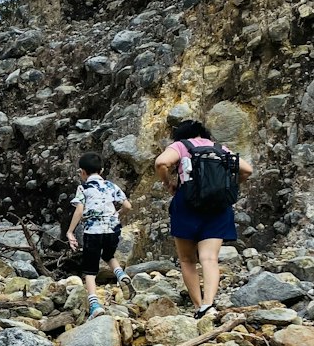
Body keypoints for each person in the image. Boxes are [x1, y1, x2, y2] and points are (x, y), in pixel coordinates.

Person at [154, 119, 253, 319]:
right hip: (218, 205)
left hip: (187, 203)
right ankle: (209, 304)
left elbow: (161, 163)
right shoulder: (219, 148)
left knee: (187, 259)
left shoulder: (181, 145)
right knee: (209, 258)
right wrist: (231, 185)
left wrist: (168, 183)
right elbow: (247, 170)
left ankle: (198, 306)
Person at [66, 151, 133, 318]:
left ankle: (95, 305)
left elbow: (80, 210)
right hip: (112, 229)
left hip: (93, 232)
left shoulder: (84, 188)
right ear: (101, 171)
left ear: (82, 172)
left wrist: (70, 231)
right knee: (109, 255)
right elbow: (128, 206)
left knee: (90, 271)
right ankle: (120, 273)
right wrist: (117, 215)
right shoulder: (111, 186)